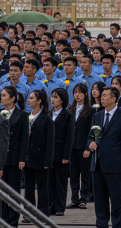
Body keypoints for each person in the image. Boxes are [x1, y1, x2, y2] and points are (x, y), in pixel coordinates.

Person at [85, 87, 121, 228]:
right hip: (97, 163)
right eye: (102, 95)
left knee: (116, 200)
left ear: (113, 99)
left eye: (105, 95)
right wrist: (91, 144)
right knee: (100, 200)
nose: (102, 98)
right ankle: (101, 224)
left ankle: (118, 225)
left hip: (114, 165)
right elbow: (89, 137)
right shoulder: (97, 115)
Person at [23, 90, 54, 221]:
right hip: (28, 156)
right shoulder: (26, 116)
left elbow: (50, 141)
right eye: (28, 98)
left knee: (42, 188)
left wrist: (48, 161)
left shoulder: (46, 119)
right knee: (28, 187)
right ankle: (28, 214)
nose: (28, 100)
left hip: (40, 157)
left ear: (39, 101)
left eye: (31, 98)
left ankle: (42, 214)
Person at [0, 87, 28, 226]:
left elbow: (24, 139)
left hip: (15, 157)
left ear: (13, 98)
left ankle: (13, 220)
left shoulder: (22, 115)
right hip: (1, 158)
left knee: (14, 191)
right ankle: (3, 218)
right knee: (2, 190)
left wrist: (22, 158)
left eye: (4, 95)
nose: (1, 98)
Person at [67, 83, 96, 210]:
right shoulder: (70, 109)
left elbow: (91, 130)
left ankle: (83, 198)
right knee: (73, 174)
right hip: (72, 146)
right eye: (75, 92)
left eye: (80, 92)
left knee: (85, 174)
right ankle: (74, 199)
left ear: (85, 94)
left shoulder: (90, 110)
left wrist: (87, 148)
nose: (77, 95)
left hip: (83, 146)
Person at [48, 88, 75, 216]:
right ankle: (51, 206)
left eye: (56, 97)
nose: (53, 99)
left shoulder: (68, 115)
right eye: (52, 96)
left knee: (61, 182)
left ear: (62, 100)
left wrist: (66, 155)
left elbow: (69, 137)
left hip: (61, 152)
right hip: (49, 153)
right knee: (50, 181)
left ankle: (60, 207)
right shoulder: (48, 114)